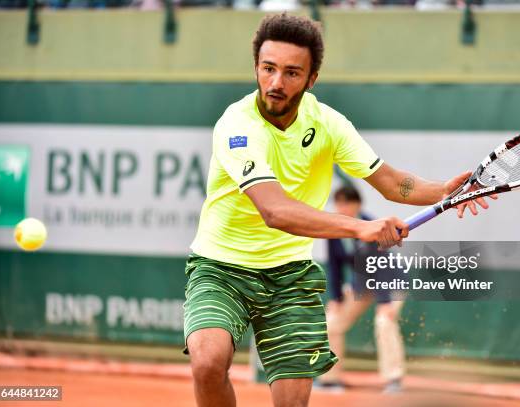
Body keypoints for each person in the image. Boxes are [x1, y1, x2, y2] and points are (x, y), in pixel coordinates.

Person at [183, 13, 492, 407]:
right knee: (208, 364)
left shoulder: (330, 125)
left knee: (292, 403)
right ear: (257, 68)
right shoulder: (236, 125)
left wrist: (444, 191)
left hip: (290, 278)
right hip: (220, 268)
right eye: (268, 69)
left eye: (292, 73)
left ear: (312, 79)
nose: (276, 83)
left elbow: (393, 182)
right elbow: (275, 211)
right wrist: (359, 228)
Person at [318, 184, 406, 393]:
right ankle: (330, 379)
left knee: (384, 322)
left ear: (357, 205)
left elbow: (382, 265)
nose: (342, 207)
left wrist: (385, 303)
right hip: (361, 285)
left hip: (390, 282)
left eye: (347, 203)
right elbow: (334, 266)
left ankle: (393, 380)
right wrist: (336, 298)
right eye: (338, 203)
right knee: (332, 322)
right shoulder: (335, 231)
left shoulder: (373, 226)